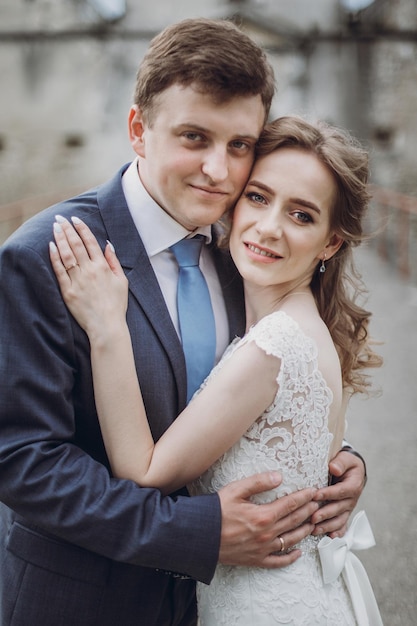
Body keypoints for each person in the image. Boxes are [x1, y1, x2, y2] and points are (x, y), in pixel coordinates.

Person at [0, 18, 366, 626]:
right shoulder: (49, 254)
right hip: (84, 600)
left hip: (212, 603)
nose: (219, 172)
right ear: (138, 130)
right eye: (194, 137)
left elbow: (252, 393)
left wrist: (329, 462)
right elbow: (23, 460)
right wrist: (195, 534)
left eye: (240, 145)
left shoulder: (245, 250)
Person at [49, 115, 383, 625]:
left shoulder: (274, 344)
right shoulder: (291, 319)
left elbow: (143, 472)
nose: (269, 227)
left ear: (331, 242)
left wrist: (108, 329)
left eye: (301, 215)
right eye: (257, 197)